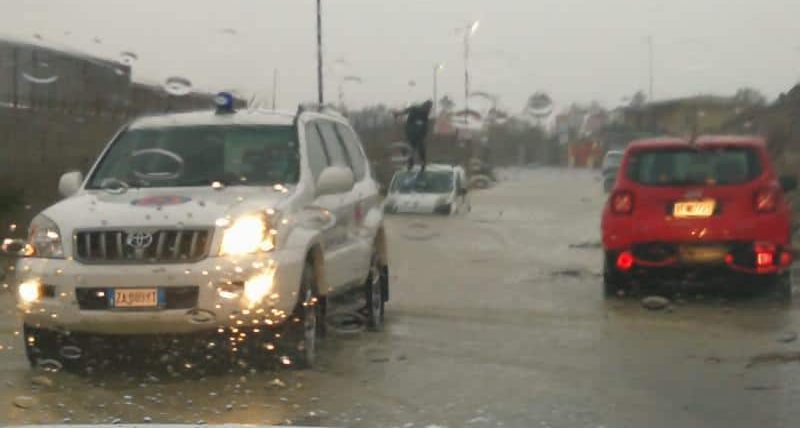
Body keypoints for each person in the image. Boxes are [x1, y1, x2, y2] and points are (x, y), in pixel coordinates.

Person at [394, 100, 433, 171]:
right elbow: (408, 110)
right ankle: (411, 161)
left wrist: (398, 114)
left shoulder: (425, 114)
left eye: (430, 109)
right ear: (425, 106)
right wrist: (398, 113)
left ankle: (416, 162)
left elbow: (425, 125)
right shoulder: (417, 109)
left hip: (416, 132)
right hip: (411, 131)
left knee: (418, 146)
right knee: (414, 146)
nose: (429, 110)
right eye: (429, 108)